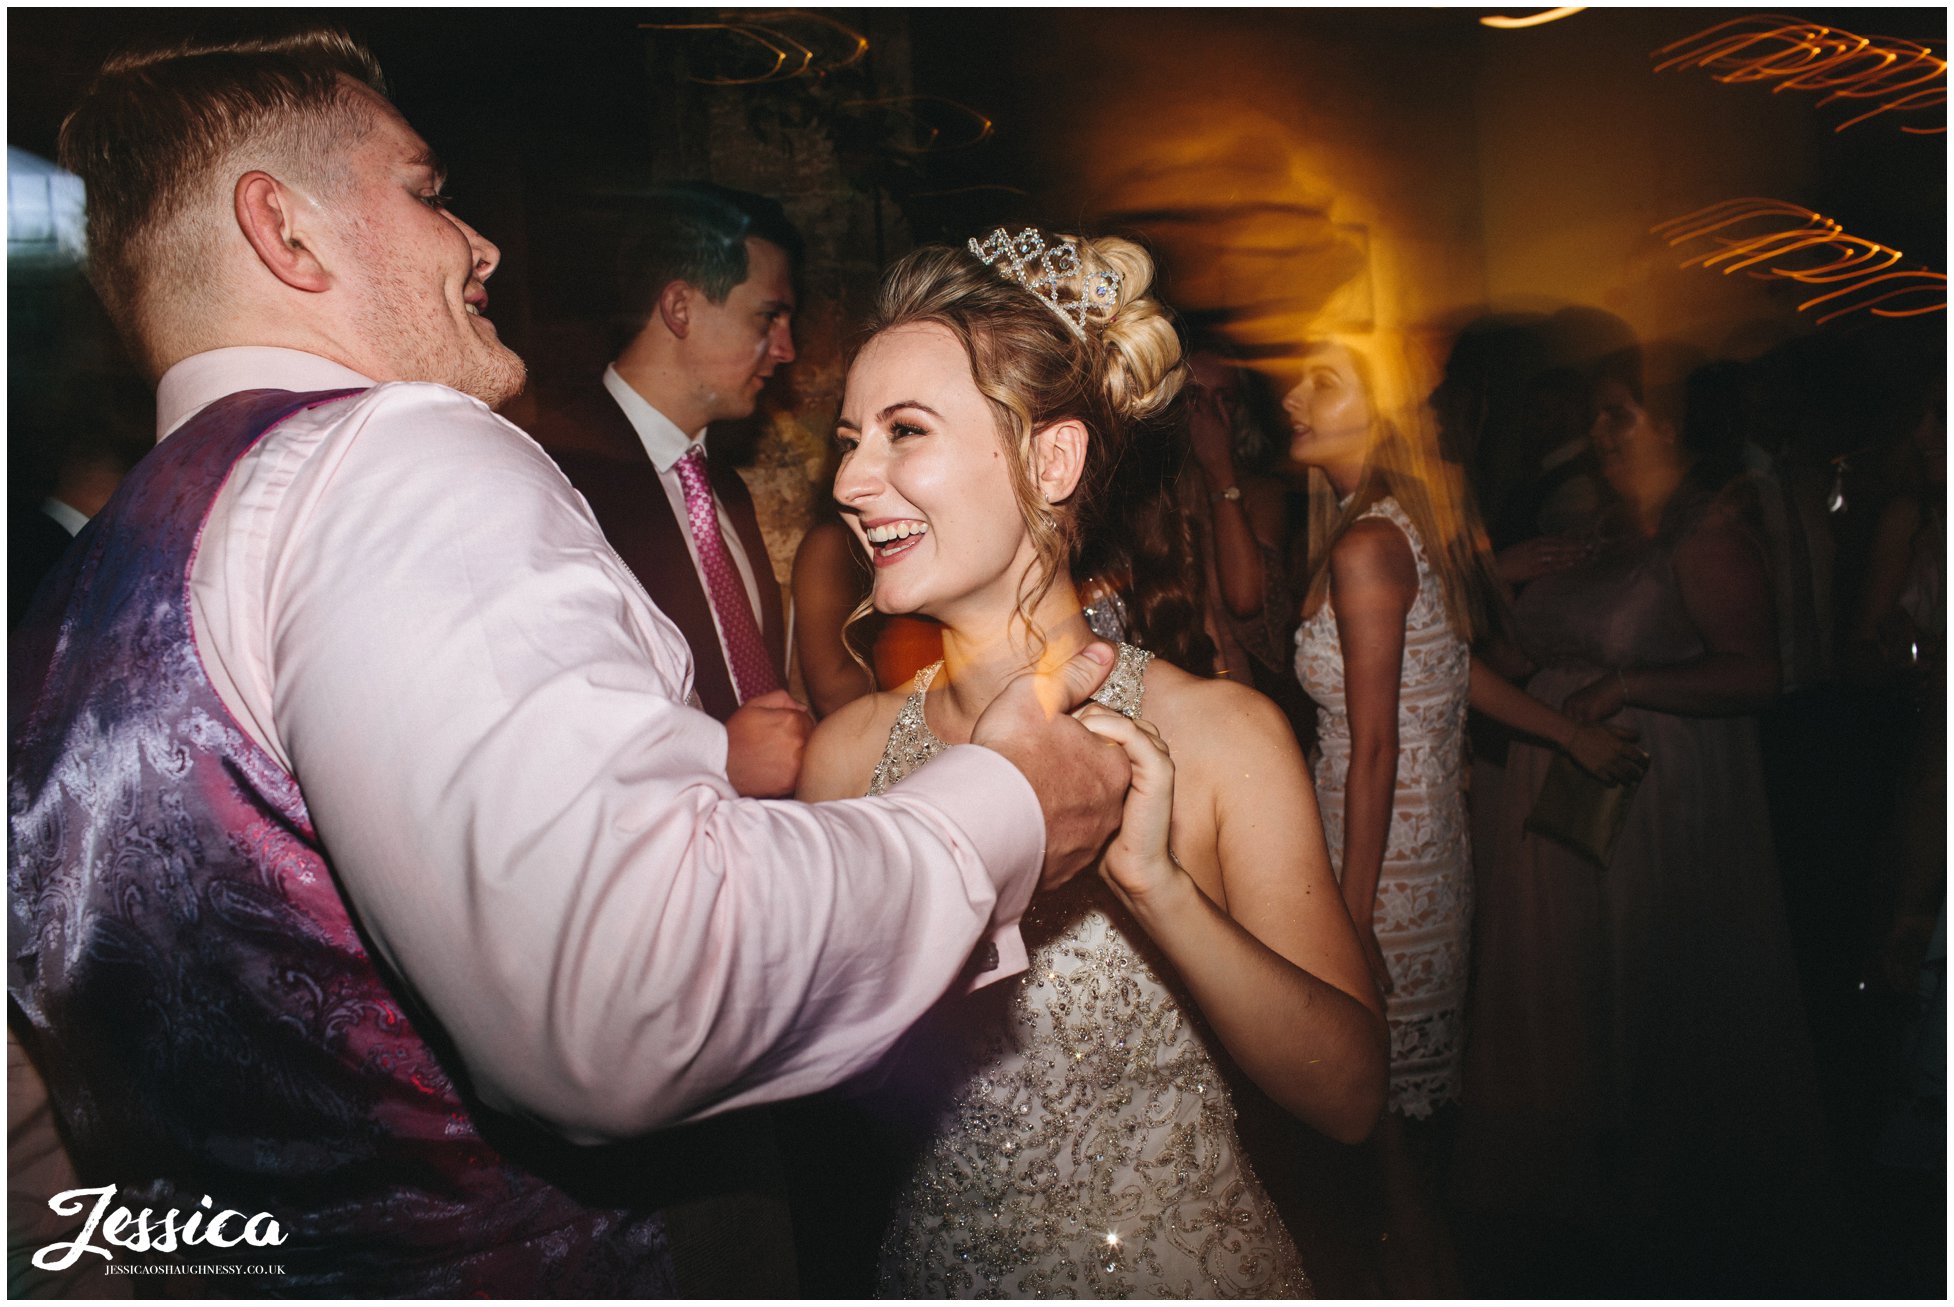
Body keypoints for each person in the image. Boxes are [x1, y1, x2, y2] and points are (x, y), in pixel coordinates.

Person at [8, 32, 1130, 1296]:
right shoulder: (386, 458)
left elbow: (39, 1153)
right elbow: (629, 987)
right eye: (430, 192)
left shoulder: (64, 615)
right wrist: (1004, 803)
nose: (481, 243)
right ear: (287, 233)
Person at [796, 228, 1389, 1297]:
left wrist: (1157, 887)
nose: (849, 478)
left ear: (1049, 459)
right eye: (848, 439)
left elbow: (1349, 1094)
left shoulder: (1216, 735)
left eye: (903, 431)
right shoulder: (843, 756)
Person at [1453, 347, 1826, 1294]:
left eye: (1623, 415)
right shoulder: (1605, 528)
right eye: (1601, 414)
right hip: (1556, 786)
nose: (1602, 432)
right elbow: (1510, 646)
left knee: (1643, 990)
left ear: (1674, 428)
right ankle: (1578, 1184)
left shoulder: (1706, 533)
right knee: (1573, 987)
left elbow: (1758, 671)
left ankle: (1654, 1208)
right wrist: (1500, 578)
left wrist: (1629, 684)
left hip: (1653, 793)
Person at [1285, 331, 1644, 1294]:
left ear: (1380, 408)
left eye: (1322, 382)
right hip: (1402, 848)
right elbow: (1452, 671)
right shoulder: (1390, 524)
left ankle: (1413, 1283)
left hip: (1383, 867)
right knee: (1388, 1135)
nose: (1291, 398)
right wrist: (1568, 735)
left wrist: (1351, 919)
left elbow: (1378, 746)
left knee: (1375, 1134)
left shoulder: (1370, 542)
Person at [529, 183, 809, 798]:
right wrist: (713, 762)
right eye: (768, 317)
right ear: (680, 307)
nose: (786, 350)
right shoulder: (555, 476)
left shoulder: (723, 487)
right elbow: (550, 732)